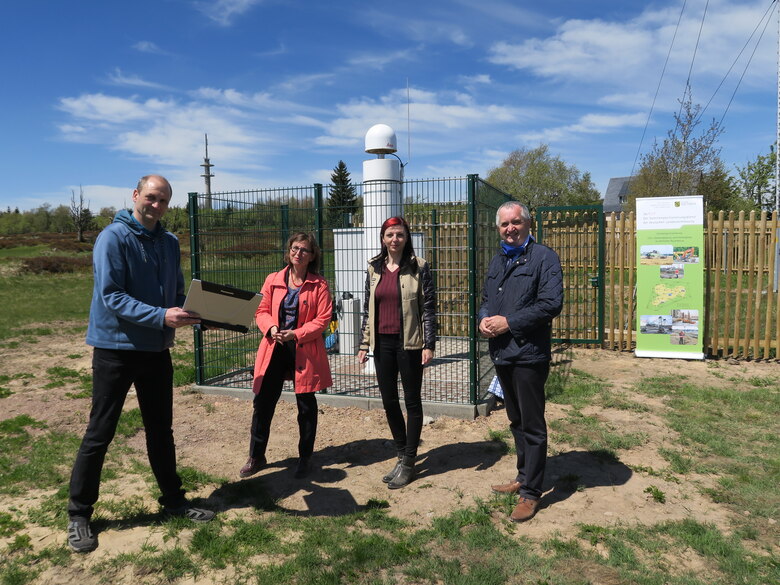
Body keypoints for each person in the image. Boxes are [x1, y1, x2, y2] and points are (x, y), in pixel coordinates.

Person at [67, 175, 214, 554]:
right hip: (115, 349)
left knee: (160, 430)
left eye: (163, 200)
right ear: (135, 196)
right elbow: (111, 295)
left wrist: (205, 310)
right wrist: (161, 317)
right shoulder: (112, 238)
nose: (156, 205)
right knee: (100, 432)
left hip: (155, 351)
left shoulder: (169, 242)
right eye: (151, 197)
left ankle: (174, 501)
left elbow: (176, 293)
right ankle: (79, 514)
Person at [478, 201, 563, 522]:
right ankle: (523, 475)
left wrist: (509, 322)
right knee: (515, 420)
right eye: (504, 224)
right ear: (498, 229)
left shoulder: (544, 258)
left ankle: (531, 493)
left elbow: (551, 303)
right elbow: (486, 299)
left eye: (515, 222)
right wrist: (484, 319)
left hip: (529, 354)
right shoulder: (498, 259)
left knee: (532, 424)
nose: (510, 228)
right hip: (502, 352)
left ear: (528, 224)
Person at [240, 233, 333, 480]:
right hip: (274, 346)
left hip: (303, 347)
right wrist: (271, 327)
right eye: (294, 248)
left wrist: (296, 333)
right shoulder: (273, 280)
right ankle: (256, 455)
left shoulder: (319, 284)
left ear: (312, 255)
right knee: (263, 403)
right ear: (288, 251)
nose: (298, 253)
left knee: (306, 406)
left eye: (304, 249)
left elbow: (323, 319)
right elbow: (260, 310)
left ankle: (305, 458)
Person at [357, 217, 436, 489]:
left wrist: (429, 344)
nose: (395, 239)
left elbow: (428, 309)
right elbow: (368, 309)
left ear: (406, 238)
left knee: (412, 403)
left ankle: (410, 462)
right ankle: (401, 455)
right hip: (382, 344)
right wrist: (363, 344)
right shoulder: (373, 268)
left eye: (400, 235)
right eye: (390, 234)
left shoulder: (419, 267)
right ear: (383, 238)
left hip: (410, 344)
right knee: (389, 401)